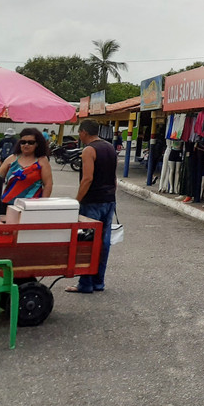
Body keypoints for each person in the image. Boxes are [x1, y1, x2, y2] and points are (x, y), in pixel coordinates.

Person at [67, 119, 117, 294]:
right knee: (104, 243)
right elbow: (114, 176)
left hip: (92, 201)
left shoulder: (89, 150)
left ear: (83, 132)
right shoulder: (110, 147)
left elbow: (87, 178)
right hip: (109, 200)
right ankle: (98, 281)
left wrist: (77, 200)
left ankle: (85, 283)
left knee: (87, 243)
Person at [0, 127, 54, 202]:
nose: (26, 145)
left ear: (37, 144)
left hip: (31, 206)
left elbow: (48, 184)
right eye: (23, 142)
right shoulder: (12, 159)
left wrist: (42, 204)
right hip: (8, 203)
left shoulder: (42, 161)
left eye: (30, 142)